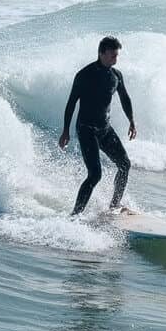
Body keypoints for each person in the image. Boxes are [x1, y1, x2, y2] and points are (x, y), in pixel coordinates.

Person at [58, 36, 136, 215]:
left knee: (125, 164)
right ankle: (75, 215)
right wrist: (65, 131)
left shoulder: (116, 76)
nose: (115, 60)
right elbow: (71, 103)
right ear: (101, 53)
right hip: (86, 130)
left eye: (117, 56)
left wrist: (131, 121)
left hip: (105, 129)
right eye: (111, 56)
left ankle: (114, 206)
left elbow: (125, 98)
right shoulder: (84, 75)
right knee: (95, 175)